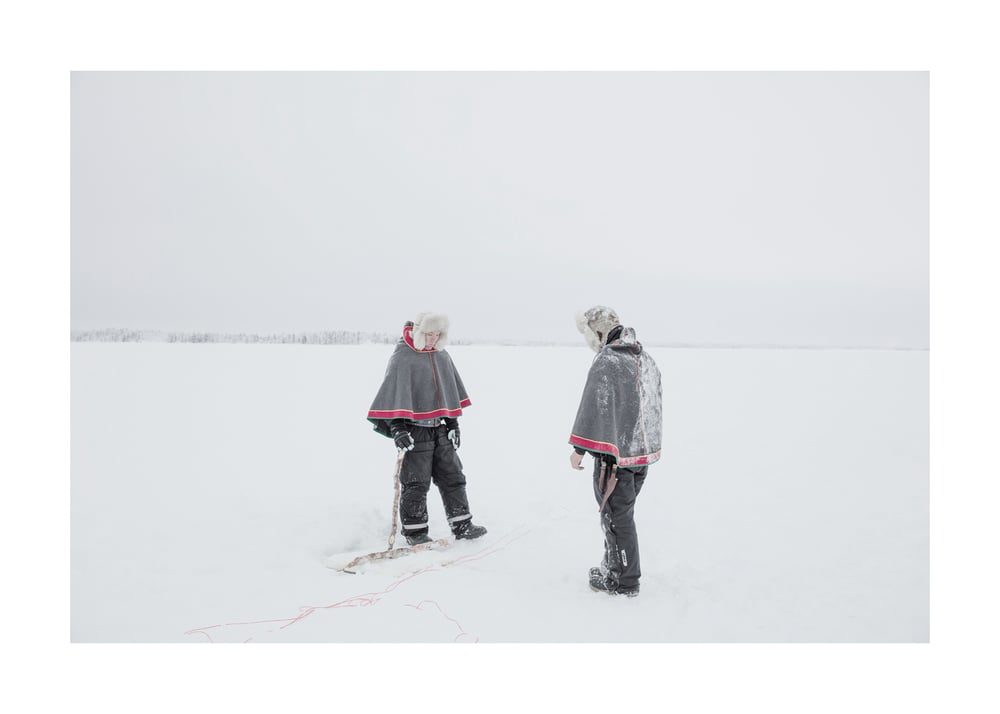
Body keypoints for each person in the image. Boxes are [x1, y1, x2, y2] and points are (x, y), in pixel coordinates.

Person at [367, 312, 487, 546]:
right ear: (420, 332)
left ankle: (462, 524)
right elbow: (395, 396)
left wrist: (453, 424)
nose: (433, 339)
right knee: (416, 482)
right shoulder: (403, 357)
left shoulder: (441, 356)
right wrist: (398, 429)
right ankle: (415, 531)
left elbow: (448, 393)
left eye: (437, 334)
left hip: (440, 429)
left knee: (453, 477)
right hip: (415, 432)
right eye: (429, 334)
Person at [569, 306, 662, 597]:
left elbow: (592, 406)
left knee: (615, 516)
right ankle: (616, 568)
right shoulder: (644, 358)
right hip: (640, 456)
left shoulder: (607, 360)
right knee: (622, 514)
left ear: (597, 332)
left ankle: (623, 580)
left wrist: (579, 449)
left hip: (615, 460)